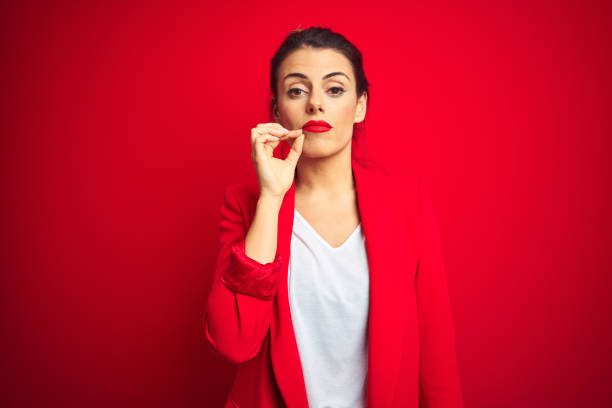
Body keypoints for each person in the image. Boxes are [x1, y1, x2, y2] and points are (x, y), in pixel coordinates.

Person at [203, 26, 464, 408]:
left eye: (335, 89)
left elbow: (435, 349)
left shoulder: (408, 204)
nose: (315, 105)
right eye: (297, 90)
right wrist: (271, 199)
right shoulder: (247, 206)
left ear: (360, 106)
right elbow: (234, 343)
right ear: (277, 110)